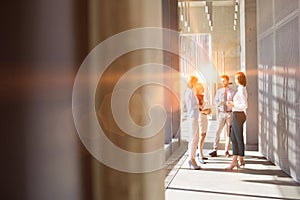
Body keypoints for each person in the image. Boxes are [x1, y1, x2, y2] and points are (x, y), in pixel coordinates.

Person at [209, 75, 236, 157]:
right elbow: (215, 101)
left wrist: (230, 104)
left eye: (224, 81)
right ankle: (215, 149)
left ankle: (226, 151)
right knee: (217, 131)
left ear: (227, 81)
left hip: (229, 113)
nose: (222, 82)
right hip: (221, 113)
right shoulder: (219, 91)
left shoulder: (233, 92)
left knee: (228, 133)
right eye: (221, 81)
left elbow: (235, 104)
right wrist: (219, 103)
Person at [225, 72, 248, 170]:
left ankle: (236, 160)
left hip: (238, 115)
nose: (234, 80)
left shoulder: (242, 89)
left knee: (237, 138)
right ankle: (239, 159)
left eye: (236, 78)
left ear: (239, 79)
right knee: (234, 138)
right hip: (236, 115)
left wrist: (233, 105)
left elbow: (244, 105)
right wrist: (233, 103)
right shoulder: (240, 89)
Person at [185, 76, 201, 170]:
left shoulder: (190, 91)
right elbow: (192, 105)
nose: (196, 84)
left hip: (194, 116)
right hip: (193, 117)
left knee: (195, 138)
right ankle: (192, 159)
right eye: (195, 82)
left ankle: (192, 158)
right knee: (194, 138)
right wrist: (200, 105)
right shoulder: (190, 92)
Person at [194, 83, 211, 164]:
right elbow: (198, 110)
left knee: (203, 135)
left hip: (205, 118)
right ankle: (200, 155)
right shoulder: (197, 97)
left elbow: (207, 109)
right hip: (200, 118)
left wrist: (208, 111)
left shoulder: (203, 97)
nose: (202, 88)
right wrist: (206, 111)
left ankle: (200, 152)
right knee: (201, 136)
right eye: (200, 87)